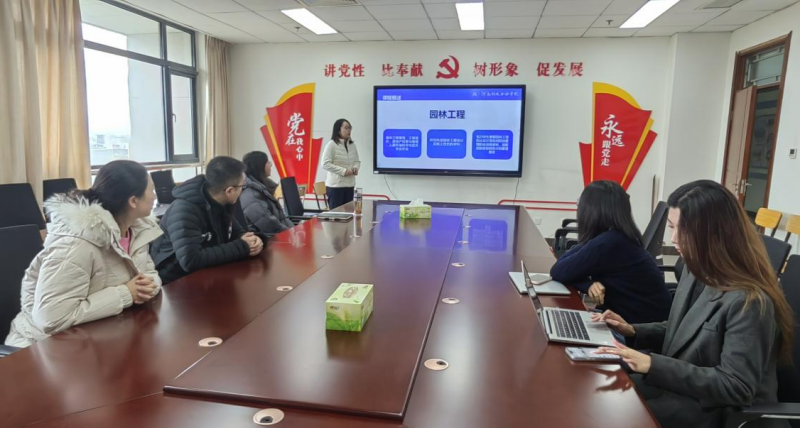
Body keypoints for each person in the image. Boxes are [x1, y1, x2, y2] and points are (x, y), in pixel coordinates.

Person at [594, 180, 794, 428]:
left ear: (715, 233)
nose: (674, 238)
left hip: (723, 412)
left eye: (684, 230)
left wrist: (653, 364)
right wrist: (634, 330)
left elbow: (736, 386)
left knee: (610, 416)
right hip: (686, 391)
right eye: (671, 227)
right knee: (600, 394)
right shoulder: (695, 269)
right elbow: (686, 331)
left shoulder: (750, 301)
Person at [5, 160, 162, 347]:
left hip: (97, 337)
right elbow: (51, 318)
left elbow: (149, 273)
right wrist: (126, 293)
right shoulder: (76, 245)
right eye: (151, 190)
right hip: (40, 347)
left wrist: (147, 287)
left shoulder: (136, 231)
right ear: (133, 201)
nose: (155, 196)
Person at [549, 180, 671, 324]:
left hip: (636, 328)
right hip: (633, 318)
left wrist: (585, 284)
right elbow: (562, 265)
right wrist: (588, 285)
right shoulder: (619, 236)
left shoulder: (609, 243)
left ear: (591, 210)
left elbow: (557, 271)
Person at [150, 156, 264, 284]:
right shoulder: (184, 210)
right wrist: (243, 246)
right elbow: (190, 260)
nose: (243, 190)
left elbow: (235, 232)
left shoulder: (221, 201)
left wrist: (252, 240)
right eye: (242, 186)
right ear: (229, 191)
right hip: (176, 282)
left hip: (209, 274)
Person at [240, 151, 293, 236]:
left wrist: (294, 230)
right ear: (260, 166)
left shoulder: (263, 187)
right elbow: (268, 223)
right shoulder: (251, 194)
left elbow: (281, 218)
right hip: (268, 239)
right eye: (268, 163)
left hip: (280, 235)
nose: (271, 165)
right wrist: (291, 234)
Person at [322, 118, 360, 209]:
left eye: (350, 128)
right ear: (338, 130)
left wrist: (355, 168)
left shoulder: (352, 145)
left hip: (350, 185)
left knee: (349, 214)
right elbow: (325, 164)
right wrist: (343, 171)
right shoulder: (331, 145)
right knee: (337, 215)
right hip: (336, 187)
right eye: (346, 128)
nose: (349, 130)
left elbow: (357, 161)